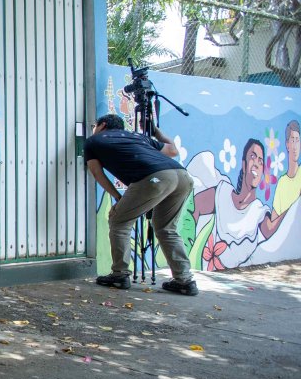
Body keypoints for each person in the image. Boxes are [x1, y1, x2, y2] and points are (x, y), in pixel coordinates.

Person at [85, 113, 197, 295]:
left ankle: (119, 275)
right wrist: (155, 130)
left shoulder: (94, 141)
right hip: (182, 176)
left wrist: (116, 197)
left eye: (95, 125)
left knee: (119, 222)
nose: (94, 129)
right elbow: (173, 150)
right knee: (166, 228)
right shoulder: (137, 137)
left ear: (102, 125)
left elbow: (97, 173)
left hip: (155, 177)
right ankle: (184, 280)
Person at [191, 138, 288, 269]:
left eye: (261, 161)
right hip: (205, 270)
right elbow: (194, 206)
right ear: (244, 164)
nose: (257, 164)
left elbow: (269, 230)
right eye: (253, 157)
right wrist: (189, 248)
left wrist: (293, 206)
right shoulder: (223, 194)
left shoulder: (258, 210)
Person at [272, 120, 301, 216]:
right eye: (292, 140)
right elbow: (274, 219)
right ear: (287, 144)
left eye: (298, 140)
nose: (295, 146)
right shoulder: (282, 183)